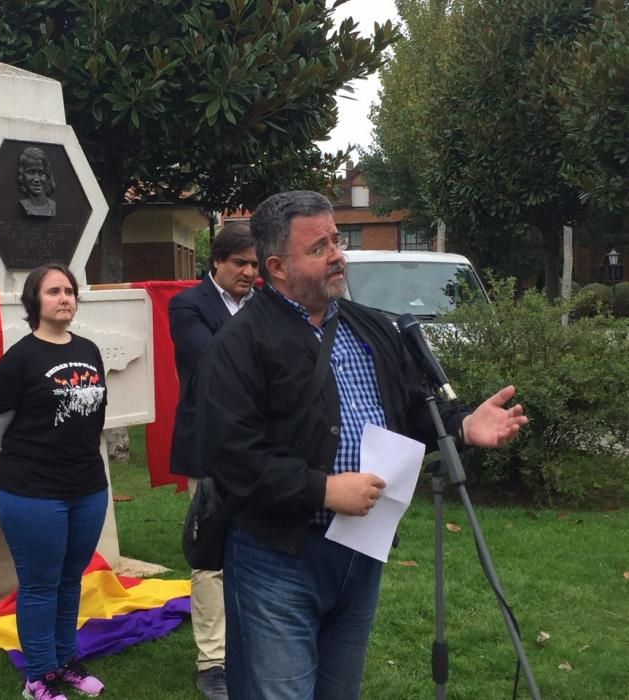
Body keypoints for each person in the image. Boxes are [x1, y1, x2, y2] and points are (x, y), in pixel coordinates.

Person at [193, 191, 528, 700]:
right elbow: (231, 454)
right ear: (278, 266)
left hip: (359, 552)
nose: (336, 254)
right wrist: (321, 490)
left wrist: (462, 426)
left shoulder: (370, 327)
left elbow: (411, 410)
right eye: (319, 246)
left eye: (336, 240)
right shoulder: (238, 345)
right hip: (277, 558)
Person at [0, 263, 108, 700]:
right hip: (33, 491)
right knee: (40, 583)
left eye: (70, 291)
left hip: (88, 487)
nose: (65, 298)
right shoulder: (18, 359)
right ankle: (38, 676)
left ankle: (65, 661)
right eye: (54, 291)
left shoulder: (90, 350)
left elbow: (96, 418)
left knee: (71, 578)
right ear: (34, 300)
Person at [168, 222, 259, 700]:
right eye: (240, 263)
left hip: (262, 448)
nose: (249, 272)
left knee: (259, 547)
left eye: (254, 264)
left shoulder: (264, 305)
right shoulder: (187, 305)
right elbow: (211, 361)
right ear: (217, 263)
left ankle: (251, 647)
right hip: (209, 448)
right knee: (211, 555)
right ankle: (213, 662)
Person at [17, 146, 57, 217]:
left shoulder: (52, 205)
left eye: (41, 173)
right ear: (22, 176)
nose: (37, 179)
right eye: (31, 172)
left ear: (47, 176)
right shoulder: (23, 205)